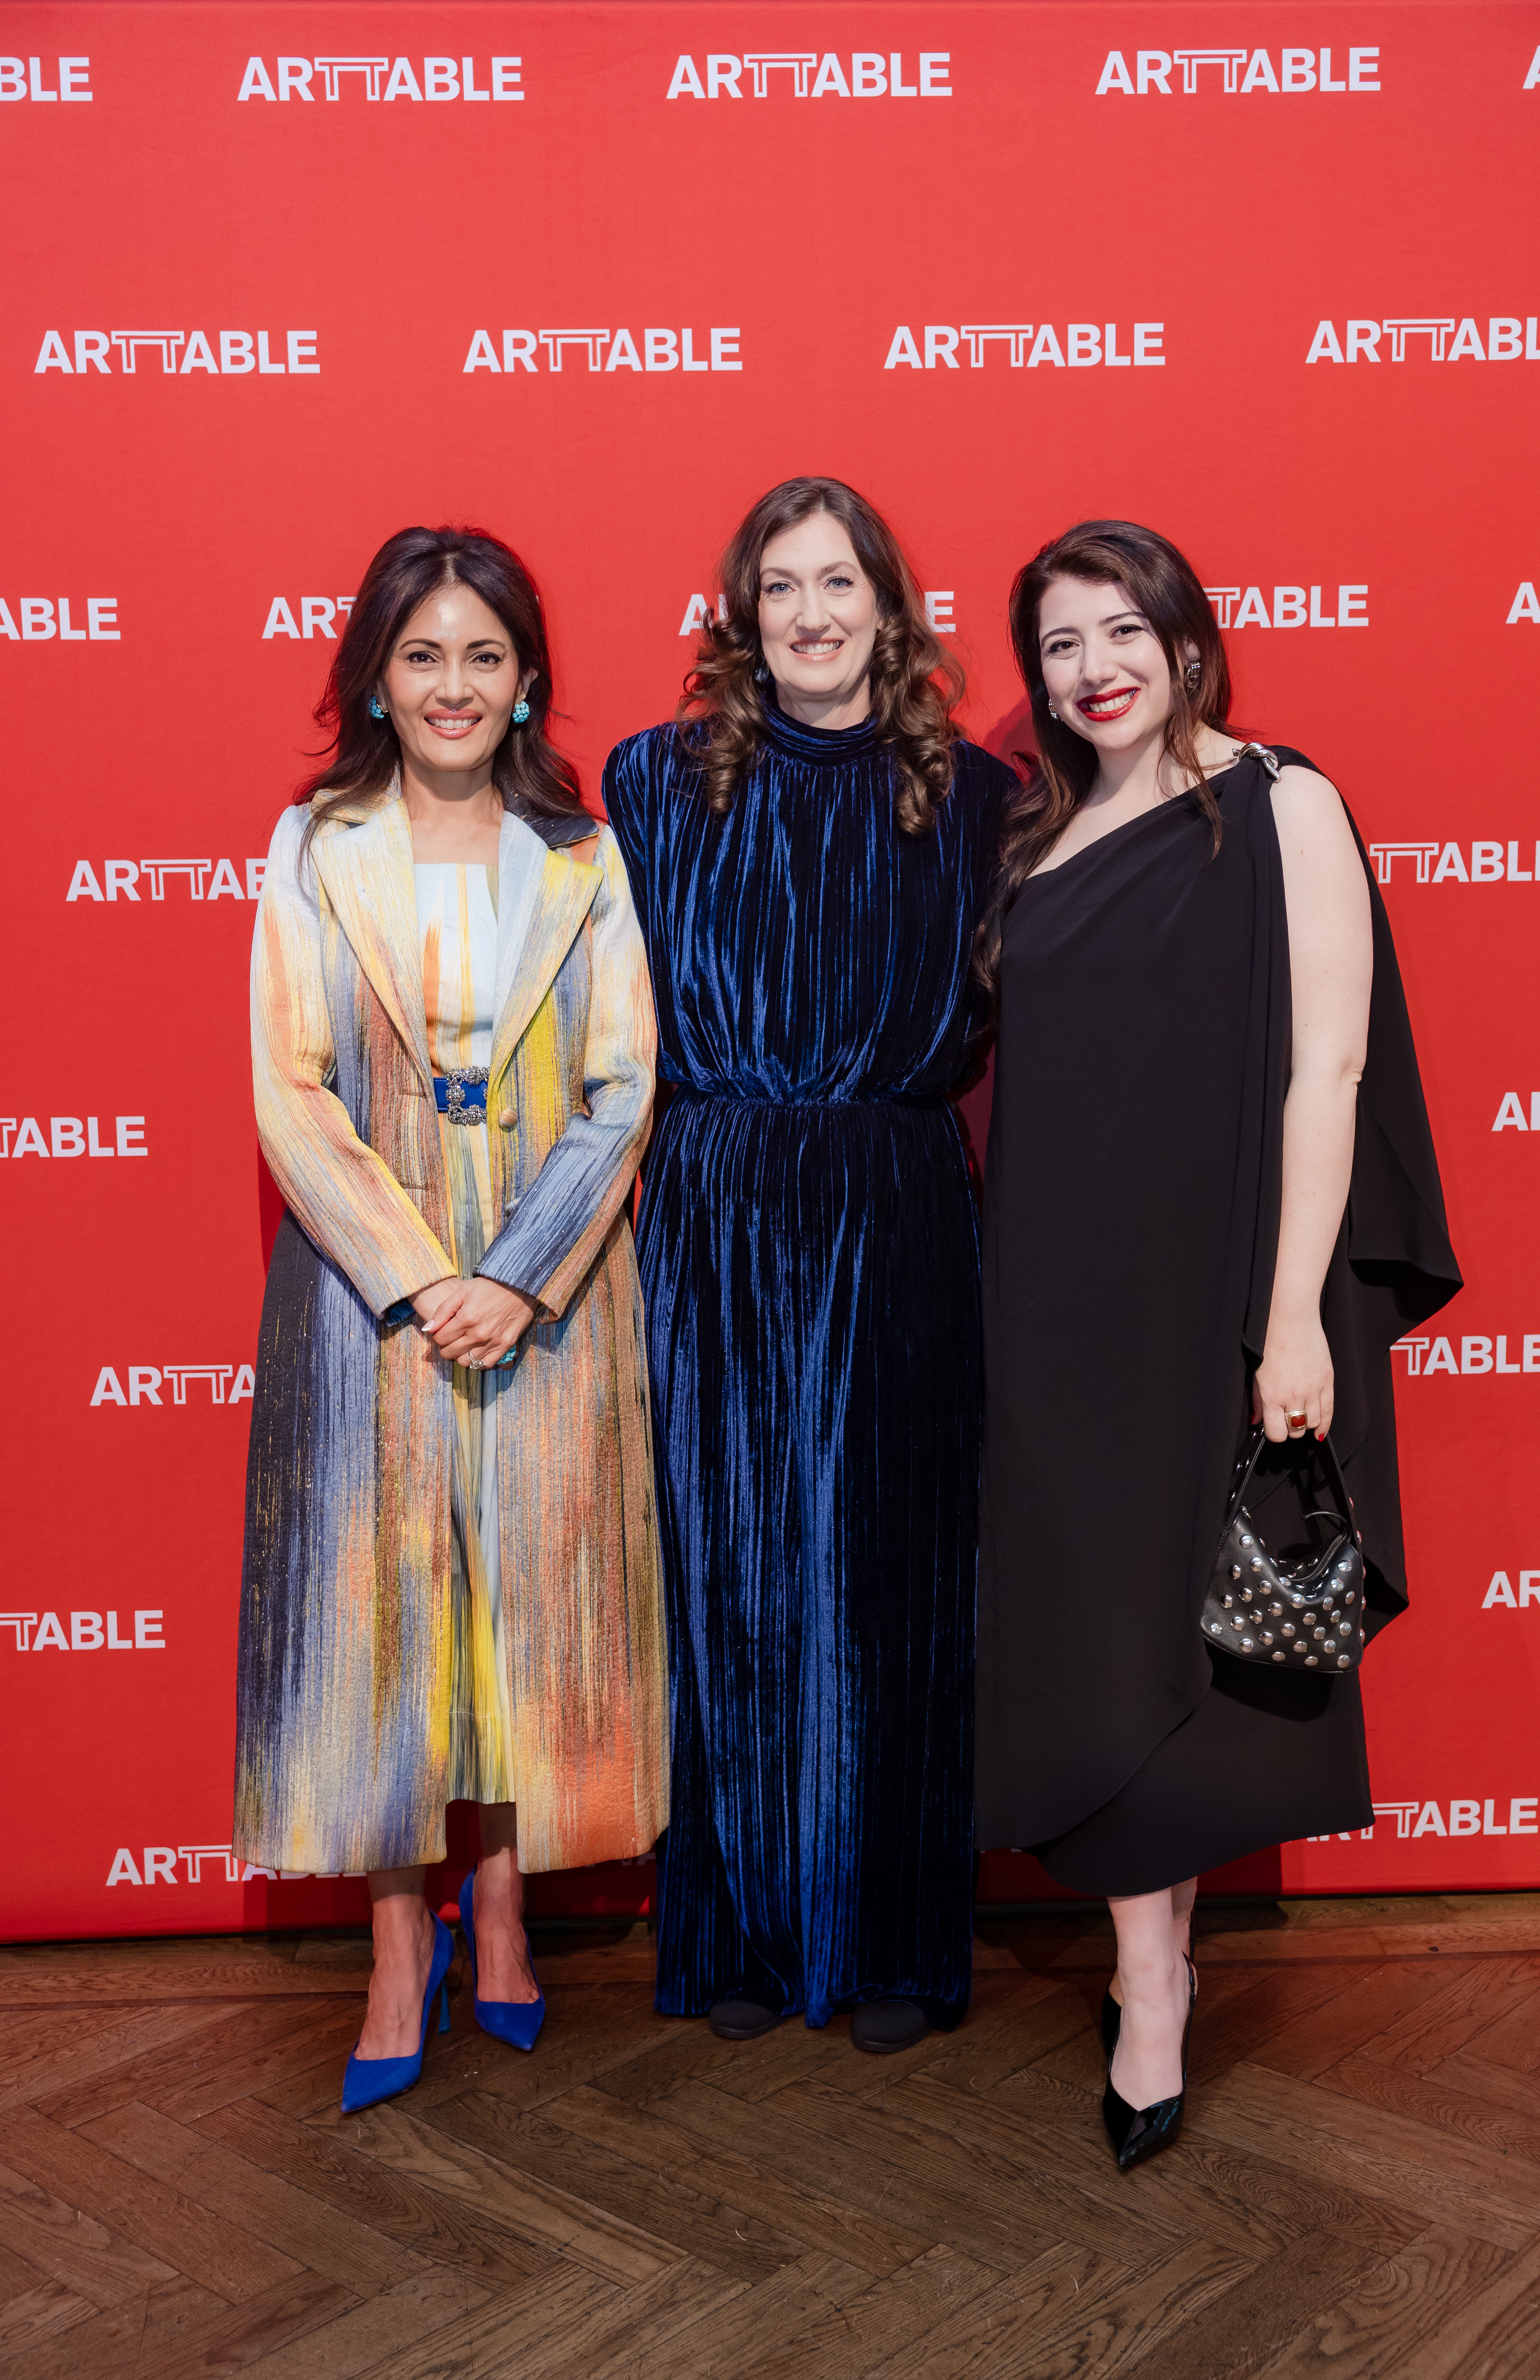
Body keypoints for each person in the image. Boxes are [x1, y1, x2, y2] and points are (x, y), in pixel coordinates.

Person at [974, 520, 1459, 2167]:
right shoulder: (1039, 832)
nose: (1092, 665)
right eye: (1057, 643)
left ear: (1188, 635)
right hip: (1051, 1310)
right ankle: (1142, 1952)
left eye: (1123, 628)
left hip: (1214, 1299)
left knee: (1187, 1640)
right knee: (1091, 1637)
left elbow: (1322, 1072)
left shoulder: (1279, 802)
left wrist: (1286, 1319)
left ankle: (1152, 1989)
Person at [234, 524, 669, 2114]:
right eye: (422, 653)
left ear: (525, 675)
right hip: (369, 1302)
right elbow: (287, 1088)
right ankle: (395, 1939)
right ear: (377, 672)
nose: (452, 683)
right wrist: (423, 1275)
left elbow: (623, 1084)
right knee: (381, 1623)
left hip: (547, 1299)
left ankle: (503, 1909)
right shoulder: (312, 843)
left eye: (482, 653)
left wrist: (516, 1271)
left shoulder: (582, 853)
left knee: (520, 1608)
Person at [604, 477, 1012, 2052]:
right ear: (741, 614)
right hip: (710, 1202)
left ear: (891, 609)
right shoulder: (649, 786)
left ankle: (894, 1933)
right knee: (729, 1560)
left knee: (893, 1566)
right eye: (781, 586)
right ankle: (746, 1933)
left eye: (839, 582)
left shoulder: (977, 800)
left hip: (900, 1198)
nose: (813, 613)